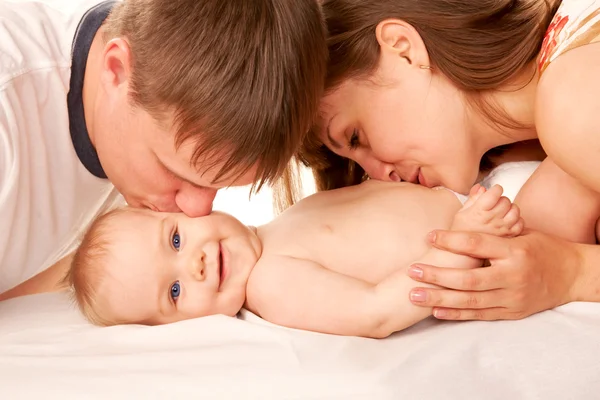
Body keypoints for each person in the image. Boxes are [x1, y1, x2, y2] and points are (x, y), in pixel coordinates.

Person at [293, 0, 600, 322]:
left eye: (355, 136)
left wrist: (572, 272)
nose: (379, 174)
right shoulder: (539, 144)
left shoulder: (576, 103)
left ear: (403, 50)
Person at [0, 0, 327, 295]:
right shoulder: (9, 115)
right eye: (175, 172)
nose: (198, 210)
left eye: (220, 186)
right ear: (116, 70)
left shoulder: (143, 95)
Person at [62, 177, 532, 337]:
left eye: (176, 241)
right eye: (176, 290)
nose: (195, 265)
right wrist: (464, 240)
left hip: (485, 203)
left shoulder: (282, 220)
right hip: (491, 248)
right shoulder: (272, 284)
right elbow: (375, 311)